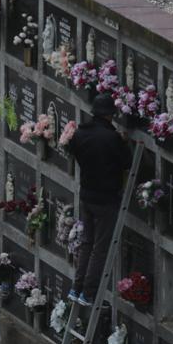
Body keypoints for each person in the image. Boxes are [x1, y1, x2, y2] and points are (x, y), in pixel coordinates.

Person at [68, 93, 133, 305]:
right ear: (109, 115)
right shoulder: (111, 137)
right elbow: (127, 163)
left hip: (86, 195)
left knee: (86, 243)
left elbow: (74, 152)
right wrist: (123, 143)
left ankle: (76, 288)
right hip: (106, 200)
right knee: (100, 248)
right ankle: (89, 292)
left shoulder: (80, 133)